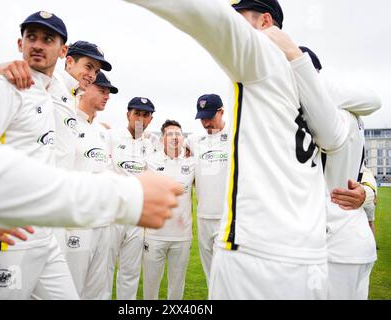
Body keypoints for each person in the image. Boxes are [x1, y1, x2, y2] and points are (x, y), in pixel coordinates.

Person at [0, 1, 182, 300]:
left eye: (48, 40)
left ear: (61, 49)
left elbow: (70, 94)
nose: (39, 45)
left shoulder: (56, 93)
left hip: (46, 233)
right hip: (7, 234)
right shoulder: (7, 86)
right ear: (20, 43)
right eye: (32, 37)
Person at [123, 0, 349, 299]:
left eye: (238, 19)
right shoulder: (304, 79)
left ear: (265, 22)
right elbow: (333, 137)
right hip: (309, 257)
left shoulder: (261, 57)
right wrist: (295, 55)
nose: (233, 29)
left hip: (254, 254)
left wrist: (291, 52)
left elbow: (200, 14)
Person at [262, 28, 380, 299]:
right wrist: (368, 193)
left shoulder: (332, 117)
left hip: (335, 243)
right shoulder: (346, 112)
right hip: (348, 239)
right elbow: (364, 172)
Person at [62, 71, 119, 300]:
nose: (107, 96)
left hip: (103, 223)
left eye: (109, 92)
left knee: (99, 292)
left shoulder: (103, 132)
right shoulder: (67, 123)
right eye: (102, 90)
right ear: (85, 89)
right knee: (71, 290)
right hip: (76, 224)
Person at [107, 97, 160, 300]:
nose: (140, 118)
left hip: (137, 217)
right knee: (104, 270)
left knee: (130, 273)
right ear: (127, 114)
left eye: (145, 114)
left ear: (151, 119)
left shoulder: (152, 144)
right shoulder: (111, 136)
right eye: (137, 113)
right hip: (112, 214)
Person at [144, 120, 195, 300]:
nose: (174, 137)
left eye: (178, 134)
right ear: (162, 139)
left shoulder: (192, 161)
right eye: (170, 134)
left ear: (183, 138)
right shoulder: (150, 160)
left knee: (177, 285)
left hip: (182, 236)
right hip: (154, 235)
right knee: (150, 286)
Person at [185, 94, 229, 287]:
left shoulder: (237, 135)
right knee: (210, 276)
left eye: (210, 117)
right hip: (203, 217)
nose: (206, 123)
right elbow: (170, 145)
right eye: (202, 118)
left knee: (227, 275)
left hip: (228, 217)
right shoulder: (195, 140)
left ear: (221, 111)